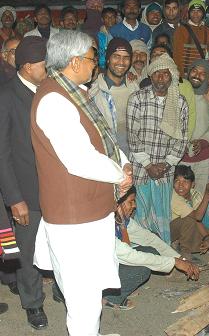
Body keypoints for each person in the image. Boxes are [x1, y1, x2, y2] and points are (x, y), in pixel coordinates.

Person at [31, 30, 132, 336]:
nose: (95, 65)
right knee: (82, 299)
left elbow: (103, 138)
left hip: (90, 211)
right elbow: (79, 158)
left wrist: (123, 162)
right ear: (74, 62)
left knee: (91, 293)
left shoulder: (74, 92)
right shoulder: (54, 101)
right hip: (74, 219)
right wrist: (120, 174)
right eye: (92, 58)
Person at [0, 36, 48, 330]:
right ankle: (33, 303)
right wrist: (15, 197)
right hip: (26, 192)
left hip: (54, 188)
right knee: (27, 250)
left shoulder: (48, 90)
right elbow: (1, 153)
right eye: (44, 65)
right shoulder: (6, 96)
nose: (49, 69)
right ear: (28, 66)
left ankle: (58, 289)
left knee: (55, 245)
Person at [102, 186, 200, 310]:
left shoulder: (121, 220)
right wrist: (174, 262)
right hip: (91, 272)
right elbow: (129, 255)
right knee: (142, 269)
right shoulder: (102, 225)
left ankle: (119, 287)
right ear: (117, 205)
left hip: (109, 263)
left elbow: (149, 239)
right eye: (130, 202)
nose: (135, 206)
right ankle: (109, 297)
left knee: (151, 251)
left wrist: (181, 259)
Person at [127, 53, 188, 244]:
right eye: (157, 74)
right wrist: (148, 165)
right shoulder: (137, 98)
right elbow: (132, 135)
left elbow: (183, 138)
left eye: (165, 74)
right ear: (150, 76)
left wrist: (167, 164)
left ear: (172, 76)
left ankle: (162, 254)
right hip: (140, 169)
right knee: (139, 215)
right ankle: (139, 255)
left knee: (161, 215)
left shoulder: (180, 102)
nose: (161, 78)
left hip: (165, 172)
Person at [90, 38, 138, 155]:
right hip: (105, 155)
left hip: (133, 155)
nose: (121, 62)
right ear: (107, 59)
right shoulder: (94, 91)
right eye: (116, 56)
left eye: (126, 57)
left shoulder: (135, 87)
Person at [180, 59, 209, 195]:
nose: (197, 75)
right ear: (188, 72)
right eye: (195, 70)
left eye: (203, 73)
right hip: (180, 157)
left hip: (204, 159)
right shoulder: (178, 93)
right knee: (178, 198)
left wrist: (202, 143)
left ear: (208, 76)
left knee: (199, 198)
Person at [170, 166, 209, 254]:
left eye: (185, 181)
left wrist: (206, 237)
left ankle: (180, 244)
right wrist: (208, 193)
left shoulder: (195, 194)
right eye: (177, 181)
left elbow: (197, 220)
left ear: (192, 184)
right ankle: (186, 252)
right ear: (173, 183)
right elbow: (197, 216)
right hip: (170, 230)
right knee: (188, 220)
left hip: (187, 228)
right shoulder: (173, 196)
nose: (180, 185)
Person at [173, 0, 209, 76]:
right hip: (184, 74)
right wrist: (180, 76)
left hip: (200, 74)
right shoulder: (181, 30)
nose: (195, 14)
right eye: (193, 11)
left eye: (199, 11)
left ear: (203, 13)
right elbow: (177, 56)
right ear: (188, 13)